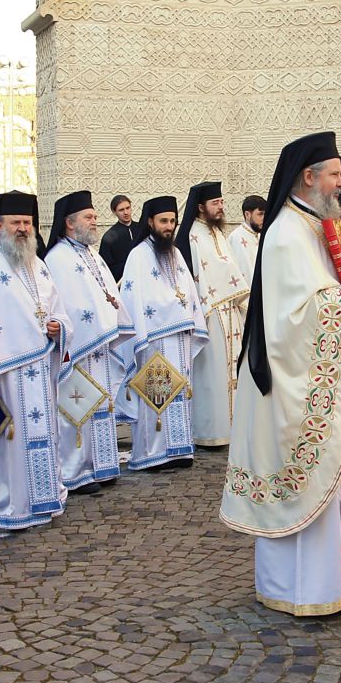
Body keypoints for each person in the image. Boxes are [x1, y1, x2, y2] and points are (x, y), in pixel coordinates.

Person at [221, 133, 341, 616]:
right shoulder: (287, 233)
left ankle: (333, 578)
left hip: (319, 379)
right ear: (308, 177)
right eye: (335, 174)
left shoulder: (318, 225)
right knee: (305, 475)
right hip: (289, 384)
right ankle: (300, 589)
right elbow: (298, 317)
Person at [0, 191, 71, 530]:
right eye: (16, 223)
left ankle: (45, 495)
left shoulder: (39, 265)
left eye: (27, 222)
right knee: (10, 441)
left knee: (45, 434)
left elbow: (57, 310)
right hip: (5, 373)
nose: (24, 229)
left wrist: (59, 327)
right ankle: (12, 505)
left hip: (41, 369)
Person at [43, 189, 133, 492]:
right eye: (89, 217)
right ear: (70, 223)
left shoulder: (91, 255)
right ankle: (76, 471)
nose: (95, 222)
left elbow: (106, 294)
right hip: (79, 349)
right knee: (77, 408)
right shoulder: (57, 258)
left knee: (101, 405)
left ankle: (102, 465)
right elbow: (68, 304)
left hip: (101, 347)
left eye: (95, 216)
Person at [117, 196, 207, 470]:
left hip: (179, 337)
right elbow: (133, 297)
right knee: (157, 396)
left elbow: (188, 291)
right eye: (163, 221)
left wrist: (191, 318)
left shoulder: (175, 253)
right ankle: (152, 454)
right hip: (155, 339)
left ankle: (180, 449)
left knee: (180, 393)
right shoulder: (138, 255)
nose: (169, 226)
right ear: (150, 222)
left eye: (172, 221)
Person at [175, 180, 249, 448]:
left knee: (232, 371)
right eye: (215, 203)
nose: (220, 207)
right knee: (212, 374)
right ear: (200, 207)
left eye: (221, 202)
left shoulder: (217, 232)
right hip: (209, 313)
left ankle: (232, 428)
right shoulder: (192, 236)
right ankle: (209, 431)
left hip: (229, 310)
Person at [100, 194, 145, 280]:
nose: (126, 212)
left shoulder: (142, 230)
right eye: (121, 210)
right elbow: (106, 267)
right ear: (114, 212)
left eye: (128, 208)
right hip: (123, 281)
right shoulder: (109, 237)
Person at [231, 194, 264, 279]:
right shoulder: (236, 238)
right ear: (247, 214)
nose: (264, 218)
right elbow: (244, 270)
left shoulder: (261, 235)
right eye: (260, 214)